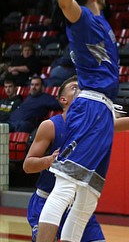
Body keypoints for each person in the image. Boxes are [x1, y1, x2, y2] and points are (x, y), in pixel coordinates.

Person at [36, 0, 120, 241]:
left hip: (104, 111)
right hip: (92, 106)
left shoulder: (101, 22)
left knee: (86, 200)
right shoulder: (82, 18)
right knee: (64, 188)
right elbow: (64, 2)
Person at [23, 76, 105, 242]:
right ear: (63, 99)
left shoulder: (91, 126)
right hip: (46, 200)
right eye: (75, 87)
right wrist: (49, 161)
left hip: (76, 204)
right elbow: (27, 165)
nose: (80, 90)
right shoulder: (50, 126)